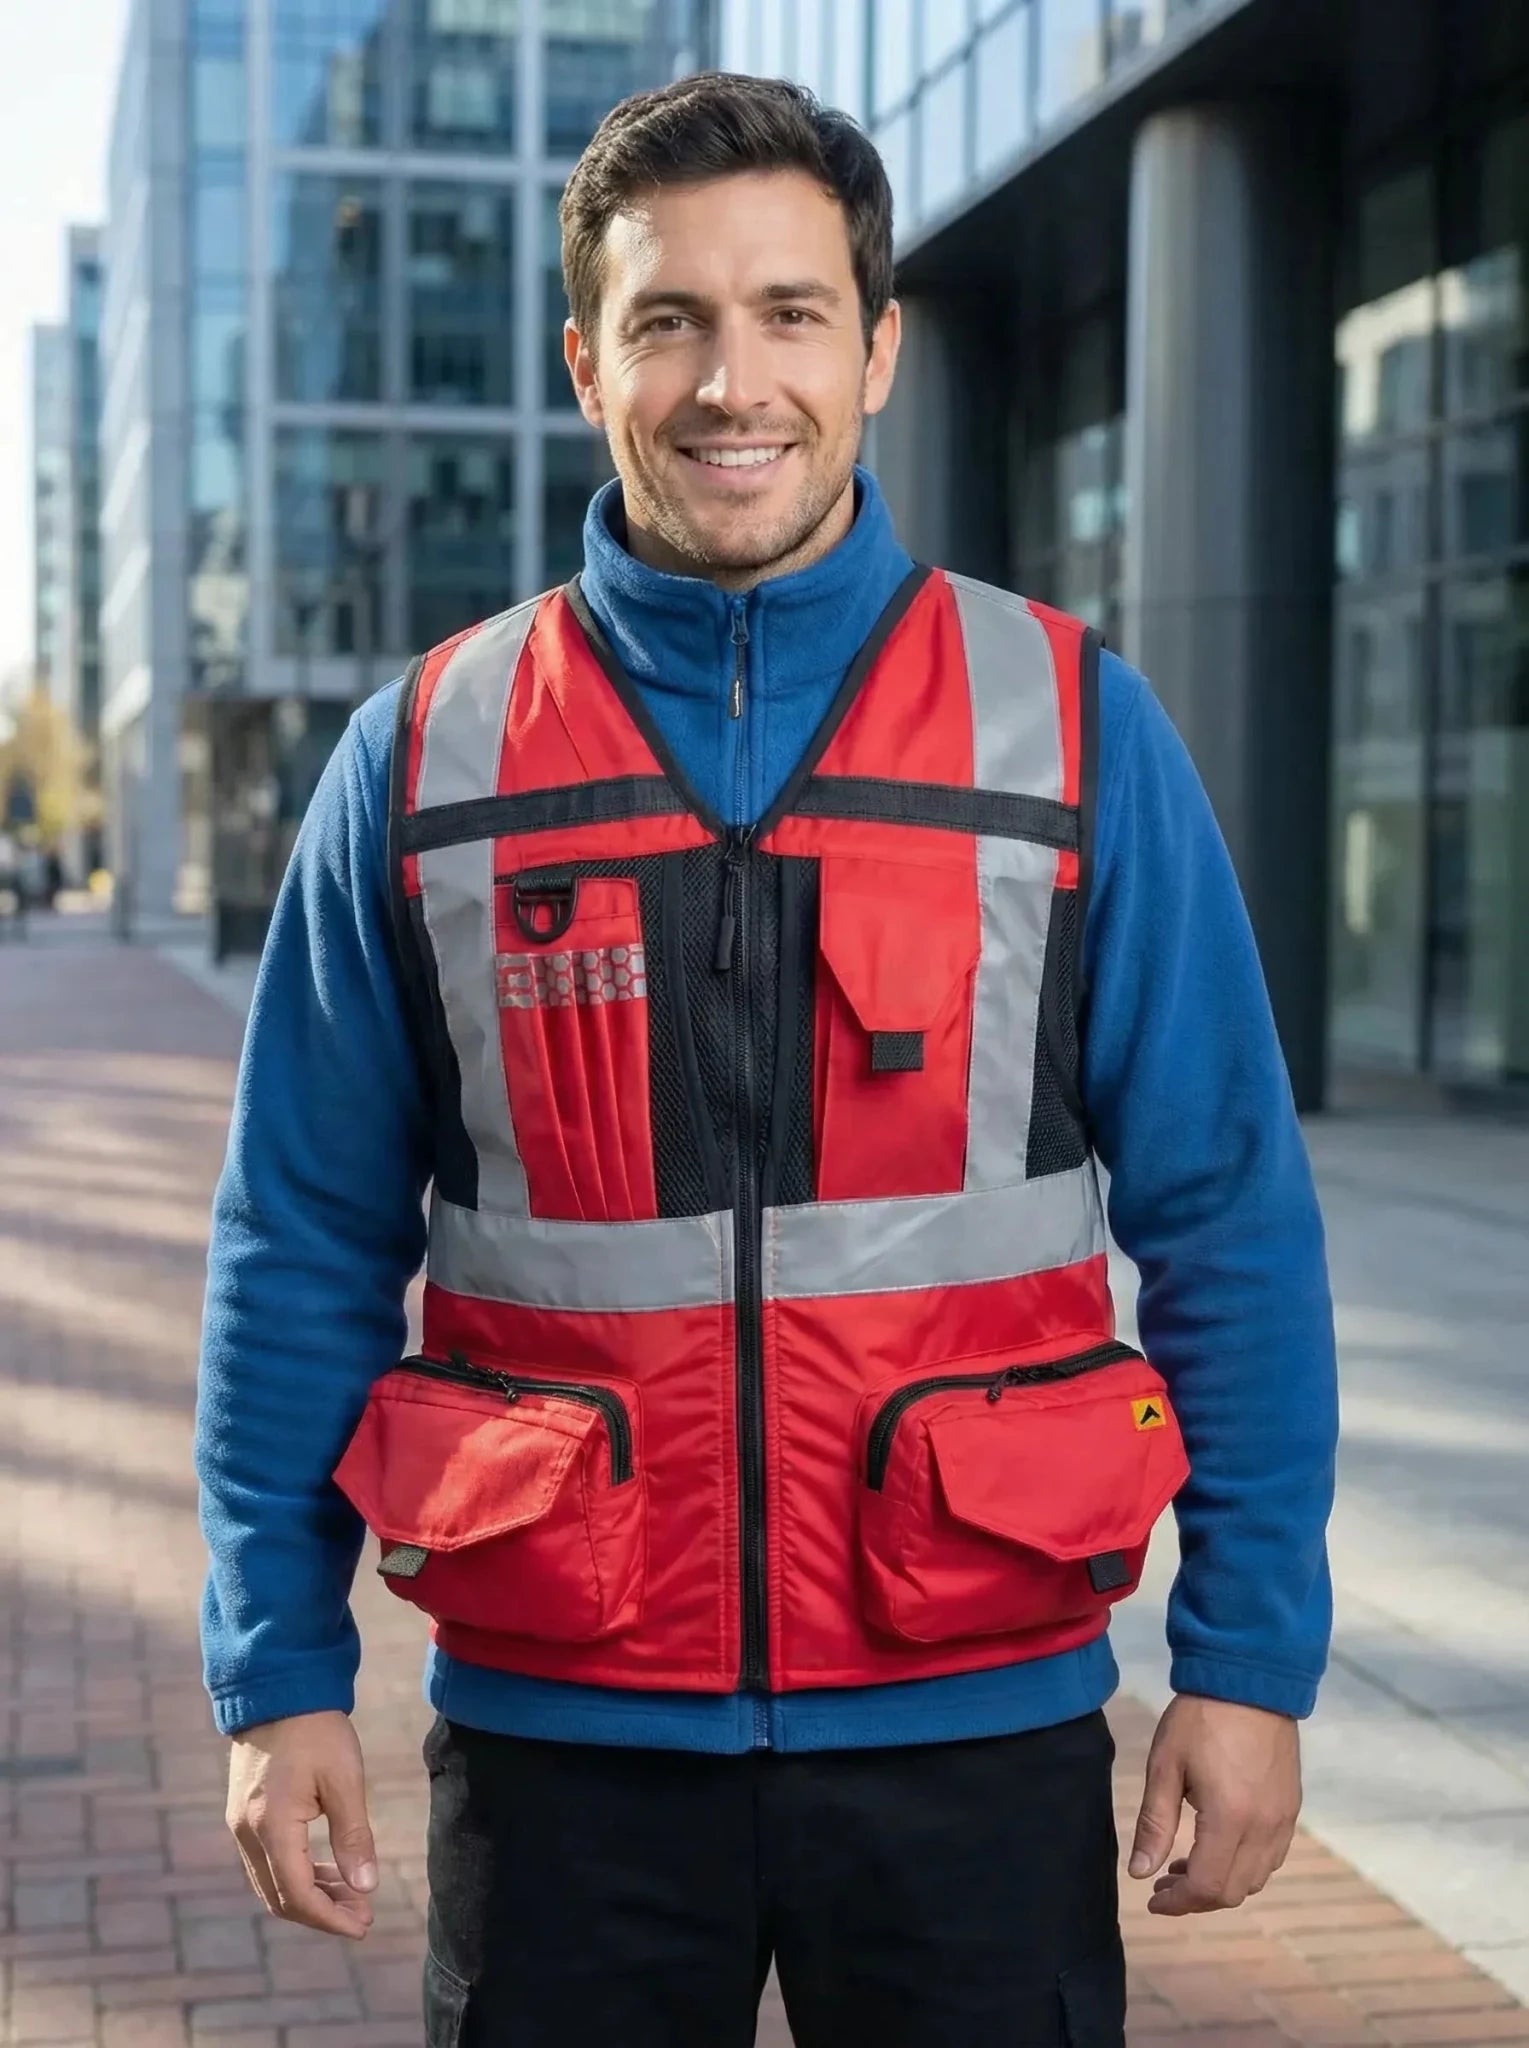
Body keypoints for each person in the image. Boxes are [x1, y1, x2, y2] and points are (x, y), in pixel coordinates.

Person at [198, 73, 1338, 2048]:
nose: (738, 382)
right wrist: (277, 1670)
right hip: (565, 1738)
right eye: (673, 322)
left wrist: (1248, 1663)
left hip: (978, 1725)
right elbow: (297, 1237)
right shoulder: (426, 757)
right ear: (586, 360)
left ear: (880, 347)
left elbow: (1231, 1216)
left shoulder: (1073, 729)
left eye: (793, 313)